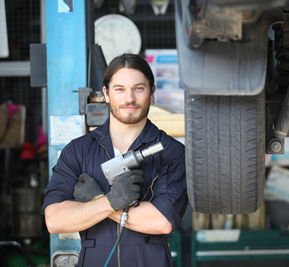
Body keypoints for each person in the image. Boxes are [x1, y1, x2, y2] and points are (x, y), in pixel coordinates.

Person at [42, 54, 188, 266]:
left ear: (152, 93)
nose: (129, 98)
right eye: (120, 89)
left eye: (139, 88)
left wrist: (99, 201)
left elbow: (161, 221)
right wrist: (109, 201)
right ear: (106, 93)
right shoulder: (78, 151)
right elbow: (55, 220)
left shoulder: (172, 152)